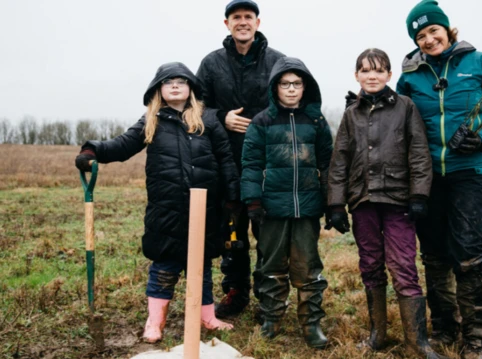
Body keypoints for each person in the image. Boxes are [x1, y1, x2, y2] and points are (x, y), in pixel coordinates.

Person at [74, 62, 239, 343]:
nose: (175, 85)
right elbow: (123, 145)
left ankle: (207, 316)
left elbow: (225, 160)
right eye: (168, 82)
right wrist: (93, 150)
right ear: (158, 90)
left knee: (202, 268)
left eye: (181, 81)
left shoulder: (209, 119)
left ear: (191, 89)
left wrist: (233, 197)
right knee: (164, 267)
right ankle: (155, 321)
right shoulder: (152, 121)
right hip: (167, 210)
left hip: (206, 209)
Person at [397, 1, 482, 358]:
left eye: (433, 30)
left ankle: (476, 336)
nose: (429, 39)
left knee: (467, 252)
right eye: (420, 36)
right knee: (433, 254)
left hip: (470, 173)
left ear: (448, 30)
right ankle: (445, 328)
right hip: (427, 175)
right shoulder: (410, 76)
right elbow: (398, 118)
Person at [328, 48, 447, 359]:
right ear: (356, 76)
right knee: (370, 265)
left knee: (404, 266)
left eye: (379, 70)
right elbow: (339, 160)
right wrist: (336, 204)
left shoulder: (406, 107)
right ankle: (378, 333)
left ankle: (417, 343)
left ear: (389, 75)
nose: (372, 75)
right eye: (365, 70)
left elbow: (419, 153)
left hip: (398, 201)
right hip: (363, 200)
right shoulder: (350, 113)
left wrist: (419, 195)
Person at [196, 0, 285, 318]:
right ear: (227, 24)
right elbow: (196, 109)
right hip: (225, 164)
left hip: (268, 165)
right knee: (231, 234)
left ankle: (269, 295)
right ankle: (235, 291)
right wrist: (222, 118)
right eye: (237, 17)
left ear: (258, 23)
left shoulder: (278, 62)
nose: (243, 22)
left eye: (249, 17)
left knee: (268, 234)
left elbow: (292, 101)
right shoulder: (211, 64)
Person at [241, 57, 333, 349]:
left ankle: (311, 324)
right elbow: (251, 164)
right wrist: (253, 200)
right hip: (272, 208)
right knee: (271, 265)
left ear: (306, 87)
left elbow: (328, 163)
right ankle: (272, 318)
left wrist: (333, 203)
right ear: (275, 87)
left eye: (297, 83)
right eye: (285, 83)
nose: (291, 89)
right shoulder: (262, 122)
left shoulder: (316, 121)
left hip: (307, 207)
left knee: (308, 268)